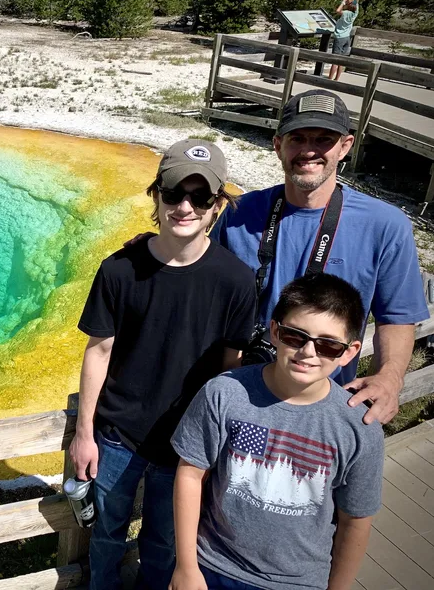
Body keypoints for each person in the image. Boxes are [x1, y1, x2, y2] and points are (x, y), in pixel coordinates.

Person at [71, 139, 257, 590]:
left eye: (200, 197)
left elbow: (228, 368)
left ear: (218, 205)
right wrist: (84, 434)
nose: (185, 206)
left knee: (165, 545)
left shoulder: (235, 280)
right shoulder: (118, 269)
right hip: (116, 437)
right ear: (156, 195)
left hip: (187, 447)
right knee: (106, 536)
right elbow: (98, 351)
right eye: (174, 193)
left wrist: (215, 446)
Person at [211, 89, 429, 426]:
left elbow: (397, 318)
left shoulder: (385, 226)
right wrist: (153, 248)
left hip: (322, 408)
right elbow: (199, 277)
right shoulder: (240, 212)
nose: (309, 150)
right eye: (297, 138)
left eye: (324, 139)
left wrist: (388, 379)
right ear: (277, 144)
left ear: (345, 146)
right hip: (237, 392)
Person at [170, 273, 384, 590]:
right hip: (212, 565)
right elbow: (190, 474)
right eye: (295, 337)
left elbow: (355, 520)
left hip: (298, 582)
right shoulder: (224, 393)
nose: (308, 352)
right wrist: (186, 567)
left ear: (349, 352)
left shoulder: (359, 428)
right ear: (274, 331)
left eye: (327, 344)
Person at [329, 0, 359, 81]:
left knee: (335, 60)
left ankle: (329, 79)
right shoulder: (355, 14)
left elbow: (338, 10)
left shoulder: (345, 13)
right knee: (341, 60)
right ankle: (336, 79)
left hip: (339, 38)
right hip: (347, 37)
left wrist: (343, 1)